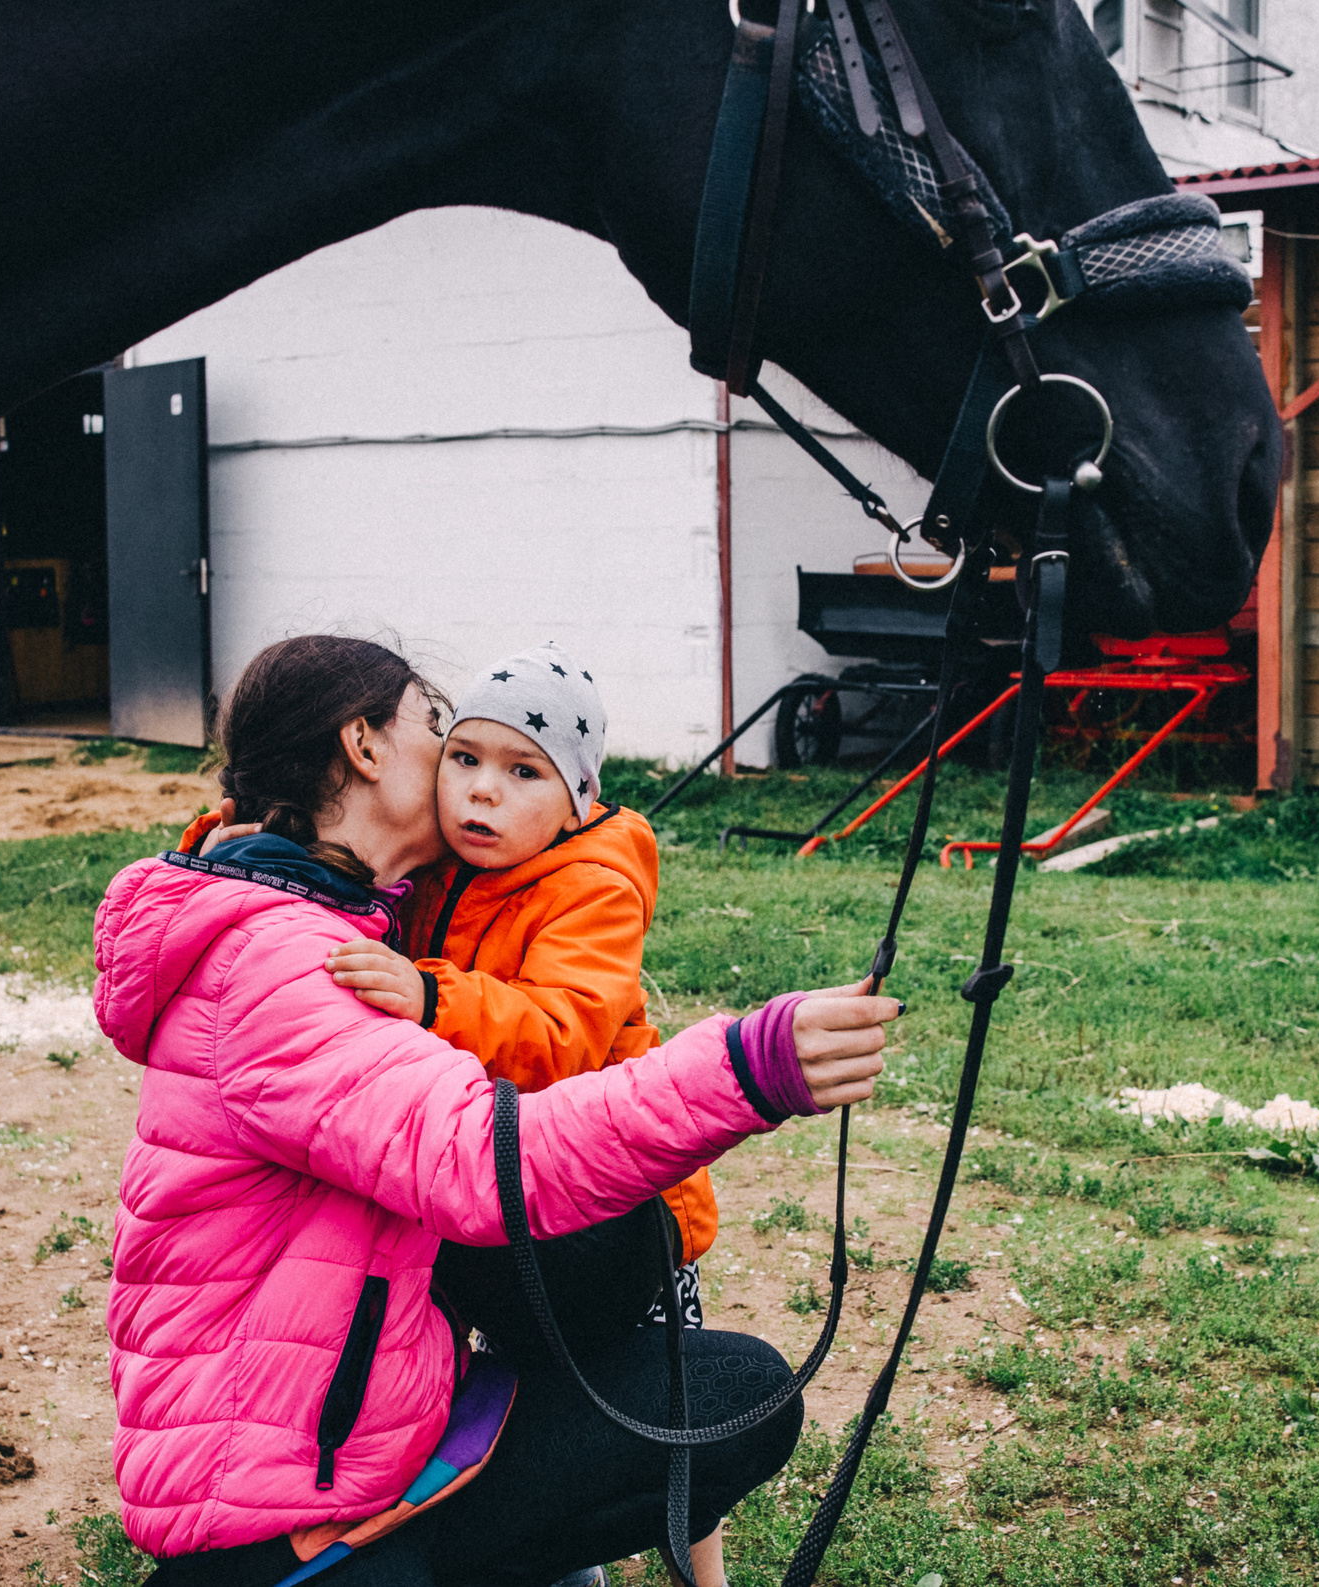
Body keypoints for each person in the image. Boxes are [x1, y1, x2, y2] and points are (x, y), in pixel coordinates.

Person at [97, 635, 897, 1586]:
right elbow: (484, 1160)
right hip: (286, 1490)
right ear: (361, 745)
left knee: (720, 1382)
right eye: (443, 734)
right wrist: (746, 1066)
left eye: (516, 766)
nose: (464, 776)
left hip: (359, 1422)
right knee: (699, 1366)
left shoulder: (323, 903)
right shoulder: (286, 961)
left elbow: (561, 1015)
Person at [321, 643, 729, 1587]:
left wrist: (432, 998)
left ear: (579, 800)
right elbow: (320, 852)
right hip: (496, 1190)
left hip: (616, 1206)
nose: (482, 793)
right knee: (512, 1401)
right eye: (464, 759)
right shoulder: (432, 870)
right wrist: (232, 830)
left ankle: (703, 1576)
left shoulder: (592, 884)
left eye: (523, 772)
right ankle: (560, 1562)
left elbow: (566, 1033)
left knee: (666, 1410)